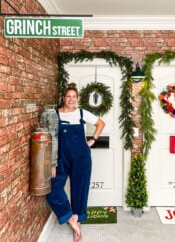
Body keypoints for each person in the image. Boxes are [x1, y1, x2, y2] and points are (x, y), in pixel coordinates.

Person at [46, 83, 105, 242]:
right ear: (63, 98)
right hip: (60, 159)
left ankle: (77, 223)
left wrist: (93, 140)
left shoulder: (82, 113)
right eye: (68, 96)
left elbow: (101, 123)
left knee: (80, 190)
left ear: (77, 99)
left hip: (82, 158)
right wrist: (52, 163)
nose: (71, 99)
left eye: (74, 97)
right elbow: (51, 139)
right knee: (52, 189)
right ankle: (70, 218)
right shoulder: (54, 115)